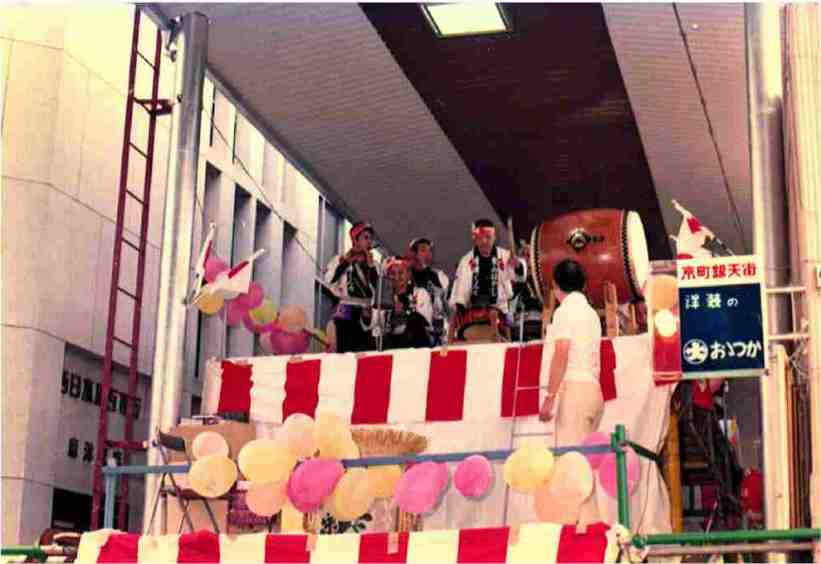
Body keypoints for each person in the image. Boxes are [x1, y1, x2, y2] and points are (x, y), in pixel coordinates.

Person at [538, 258, 603, 526]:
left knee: (573, 467)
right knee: (582, 466)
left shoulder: (565, 312)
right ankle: (589, 528)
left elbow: (561, 353)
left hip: (575, 390)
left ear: (555, 286)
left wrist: (550, 397)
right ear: (583, 284)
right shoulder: (591, 314)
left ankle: (582, 533)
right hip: (593, 391)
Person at [449, 219, 526, 341]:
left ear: (494, 237)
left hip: (500, 312)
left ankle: (500, 336)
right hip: (473, 313)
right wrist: (459, 308)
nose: (484, 241)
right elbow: (459, 293)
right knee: (455, 315)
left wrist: (517, 266)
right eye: (480, 238)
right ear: (474, 238)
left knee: (496, 313)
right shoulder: (466, 261)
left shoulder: (505, 256)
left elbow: (520, 278)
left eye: (488, 237)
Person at [324, 222, 379, 353]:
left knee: (366, 352)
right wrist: (346, 261)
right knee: (344, 352)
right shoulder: (340, 259)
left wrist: (370, 267)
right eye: (365, 237)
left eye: (370, 238)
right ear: (355, 239)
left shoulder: (374, 264)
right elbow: (329, 280)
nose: (369, 242)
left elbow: (378, 289)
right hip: (346, 307)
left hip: (366, 309)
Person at [378, 256, 433, 350]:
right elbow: (375, 327)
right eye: (392, 274)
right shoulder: (381, 298)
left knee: (415, 319)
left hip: (415, 348)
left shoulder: (420, 293)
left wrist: (406, 312)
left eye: (400, 273)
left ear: (408, 274)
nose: (397, 277)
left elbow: (426, 323)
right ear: (387, 277)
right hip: (391, 346)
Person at [408, 237, 450, 346]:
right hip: (412, 332)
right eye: (423, 250)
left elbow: (447, 307)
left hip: (436, 333)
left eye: (429, 250)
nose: (428, 254)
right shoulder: (405, 275)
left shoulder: (439, 276)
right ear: (413, 254)